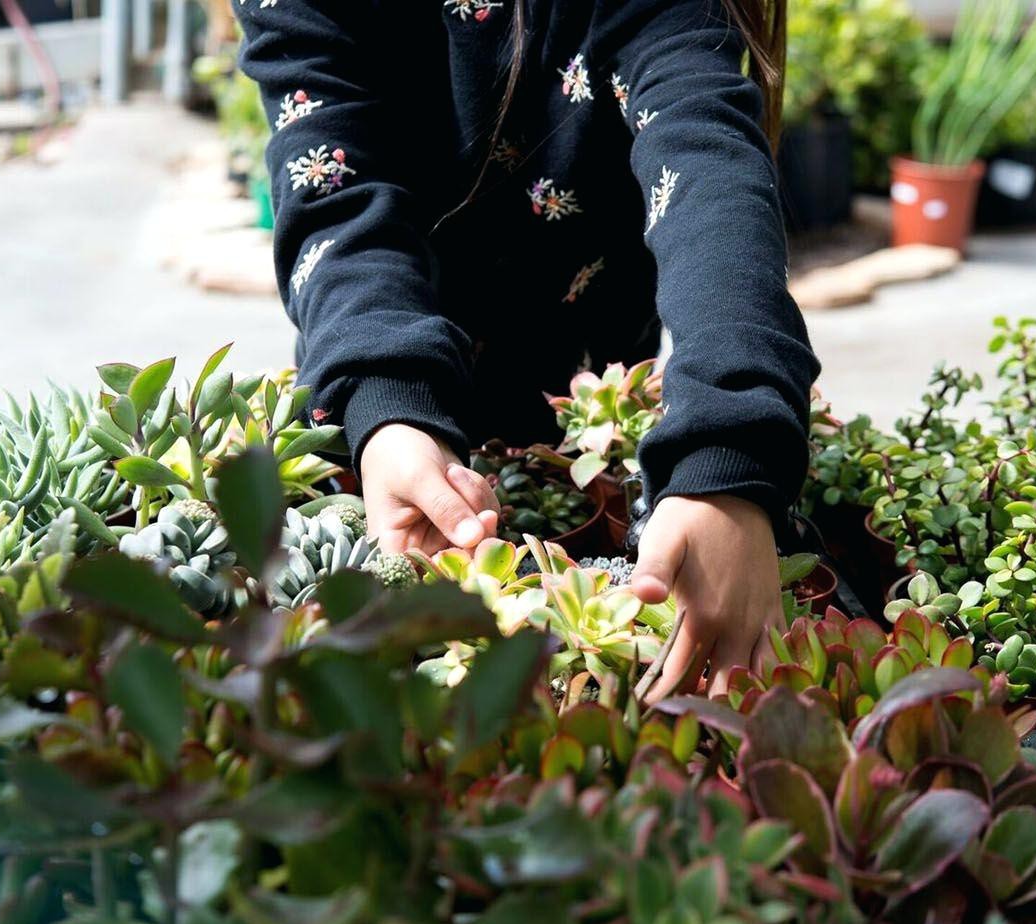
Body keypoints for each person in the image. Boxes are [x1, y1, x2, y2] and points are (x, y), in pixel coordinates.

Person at [237, 0, 818, 700]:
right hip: (379, 421)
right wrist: (387, 407)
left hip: (591, 408)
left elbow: (706, 161)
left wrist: (729, 461)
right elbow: (335, 182)